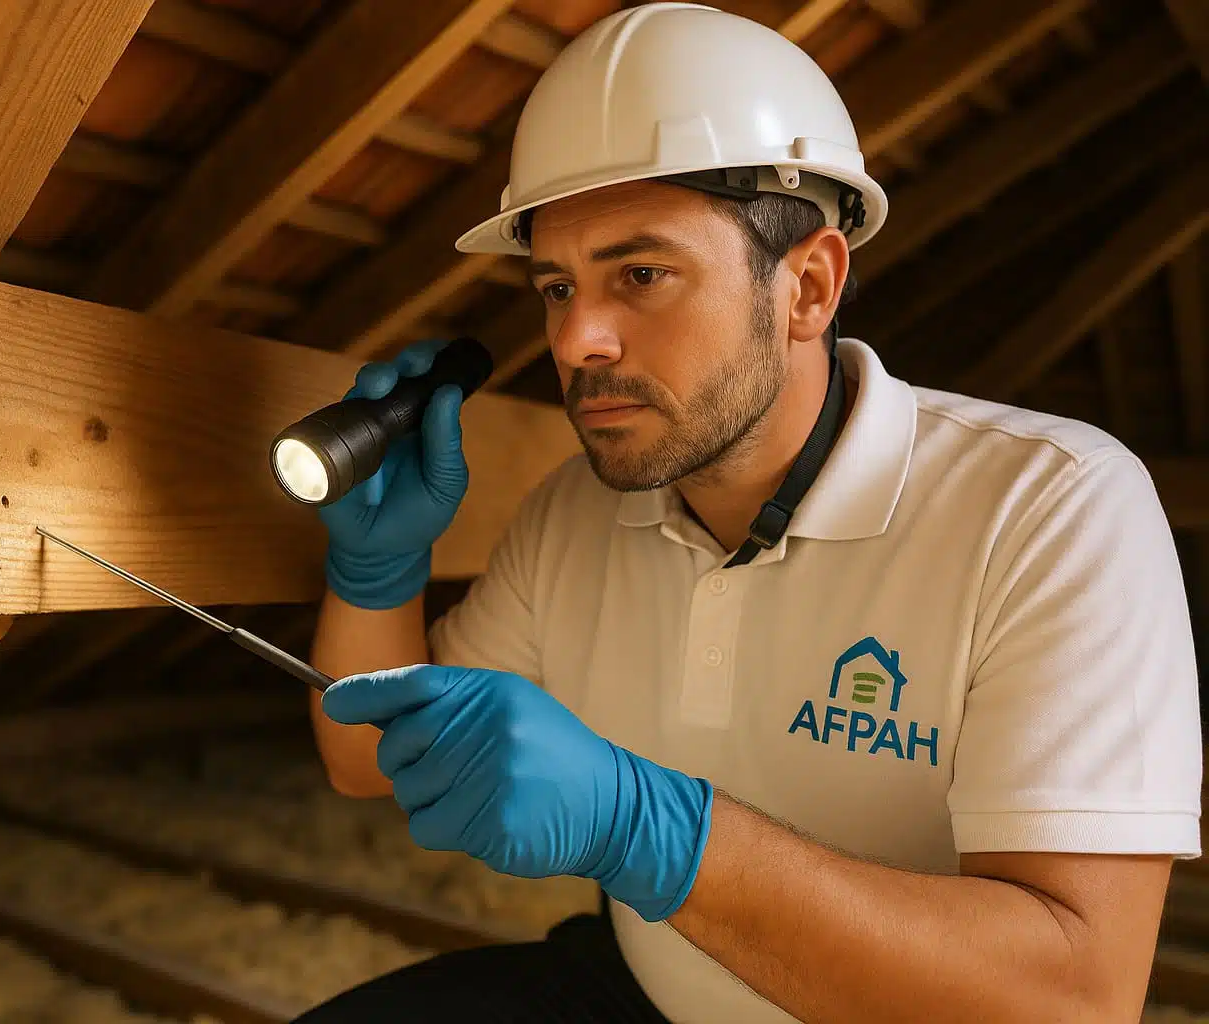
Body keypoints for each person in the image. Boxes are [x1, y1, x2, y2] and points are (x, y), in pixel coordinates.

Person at [293, 4, 1202, 1022]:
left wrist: (654, 832)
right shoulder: (572, 518)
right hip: (648, 995)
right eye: (555, 287)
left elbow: (1078, 1001)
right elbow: (370, 760)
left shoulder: (1050, 507)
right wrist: (377, 575)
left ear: (807, 286)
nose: (578, 338)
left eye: (641, 274)